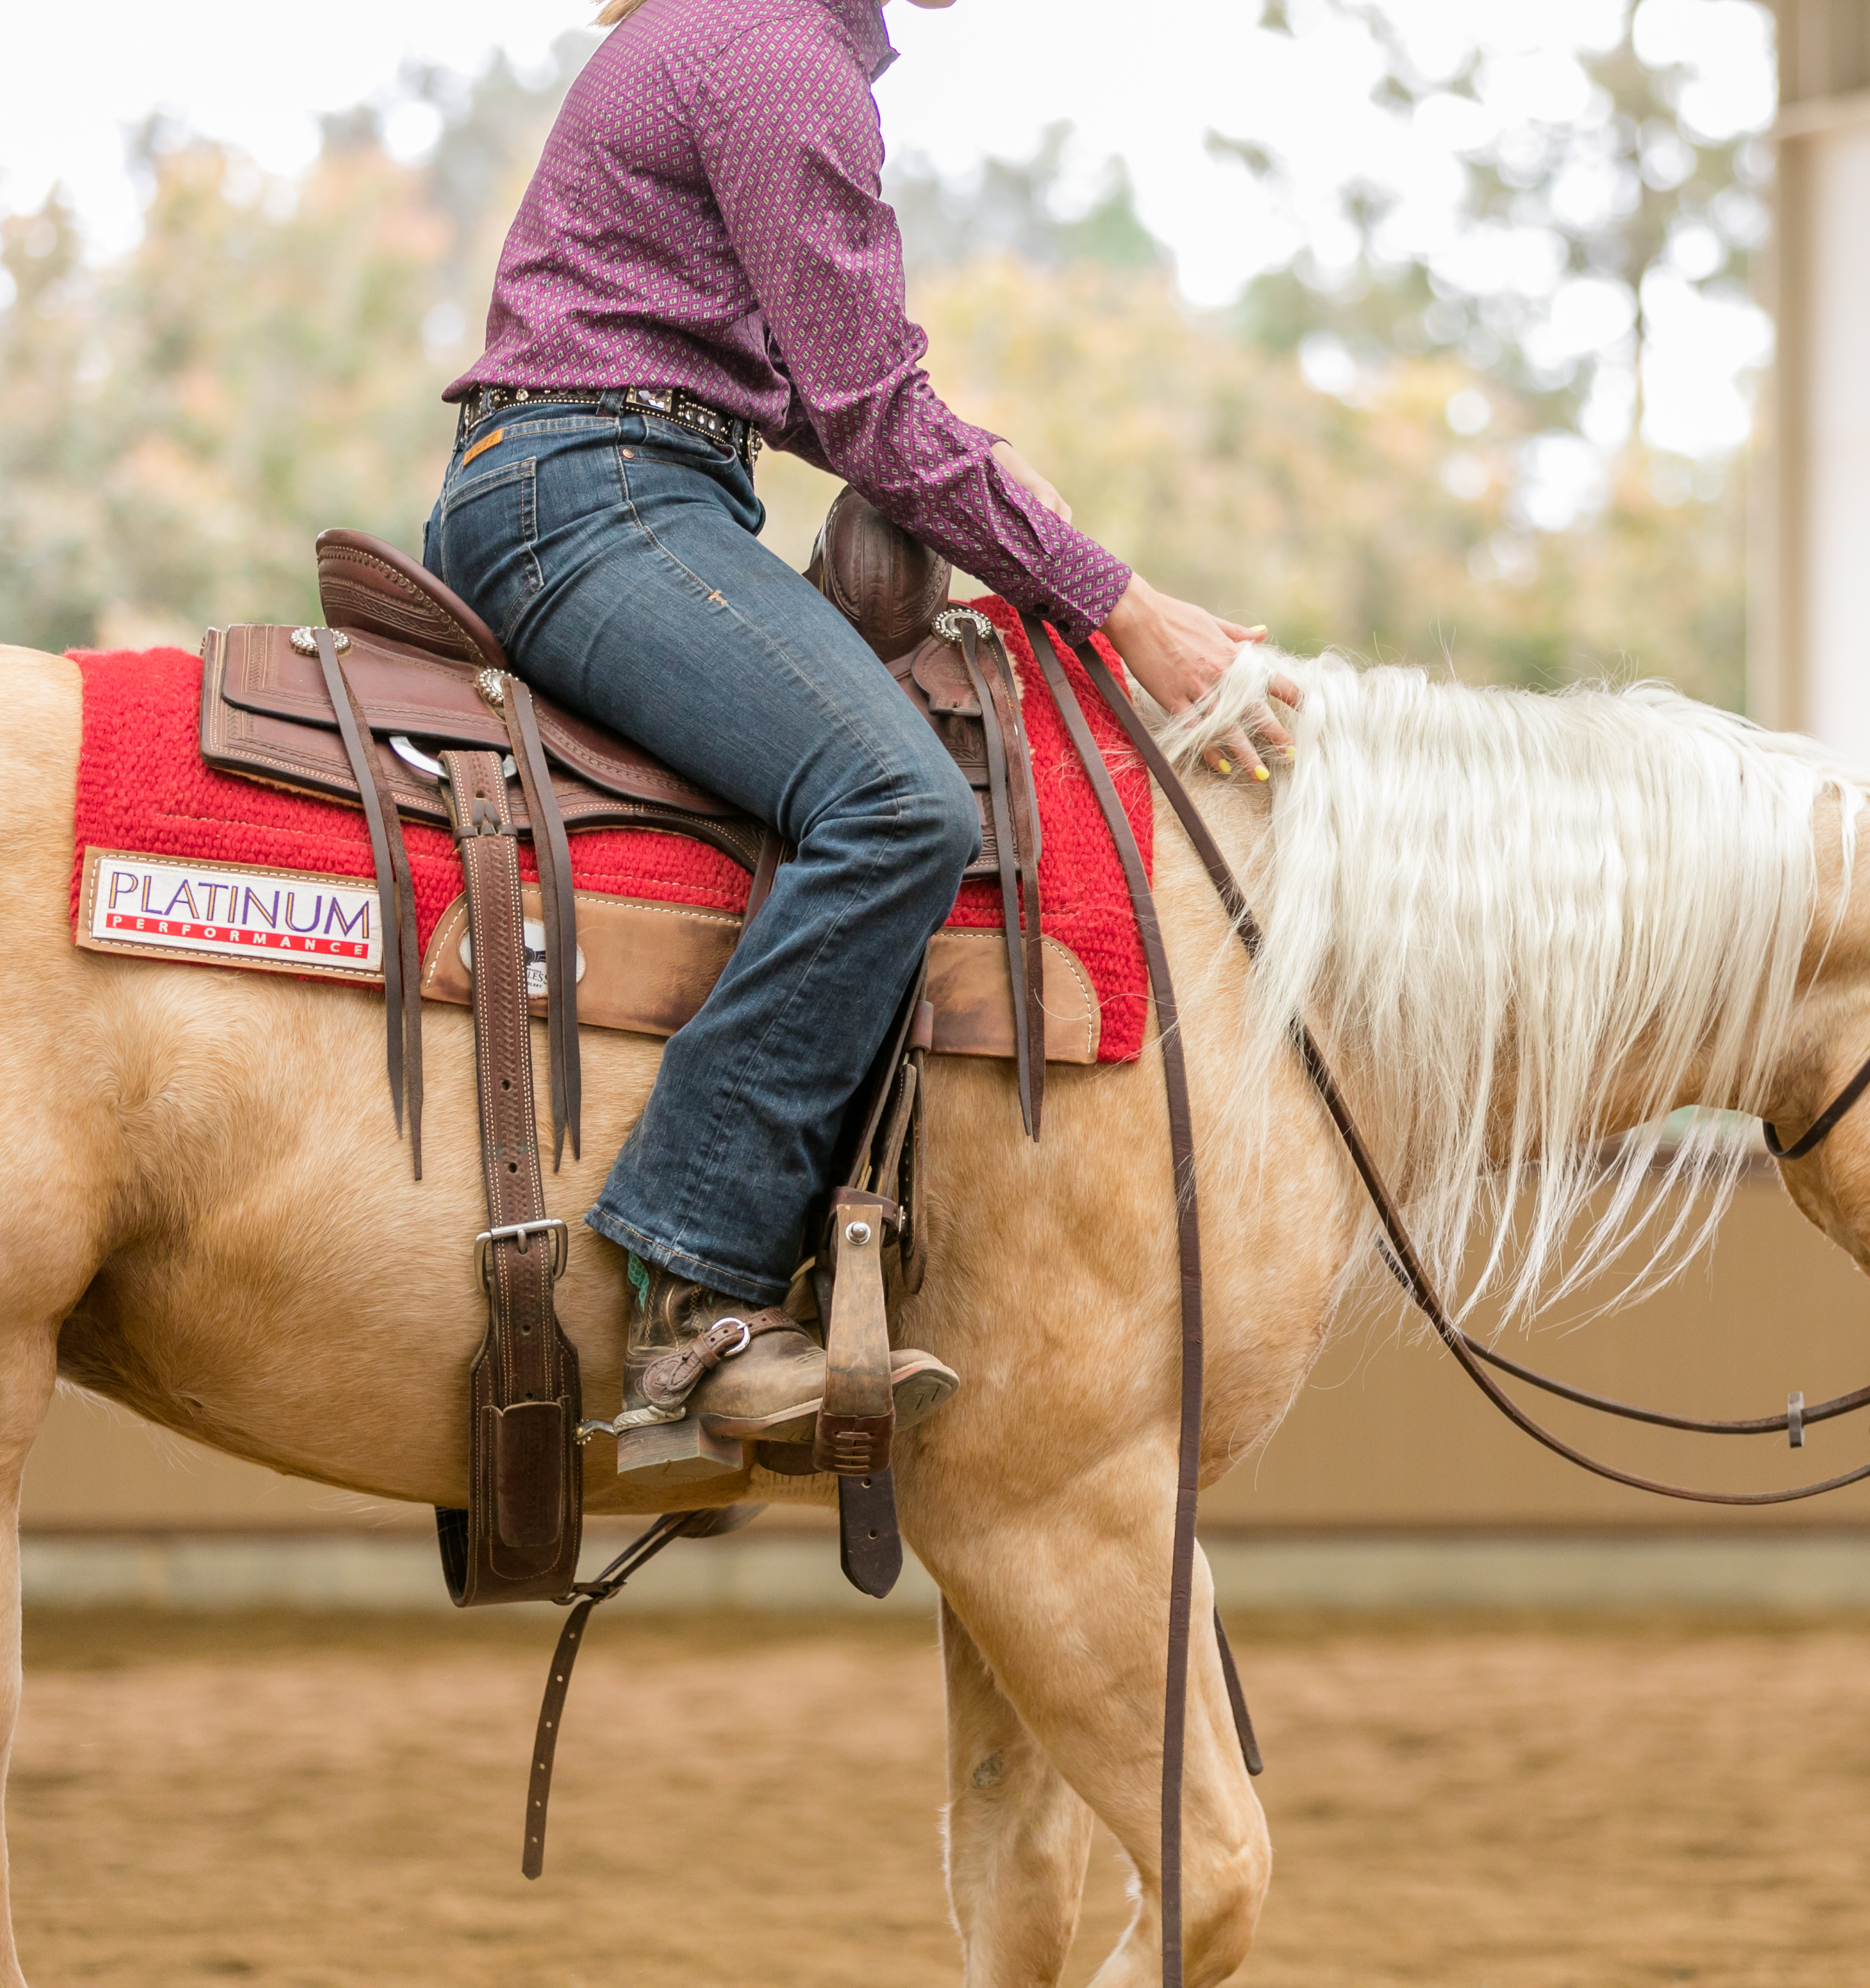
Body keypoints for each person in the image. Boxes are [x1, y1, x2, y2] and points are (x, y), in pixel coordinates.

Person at [422, 0, 1286, 1477]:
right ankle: (696, 1287)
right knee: (897, 802)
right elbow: (873, 409)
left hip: (611, 476)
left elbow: (818, 389)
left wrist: (984, 482)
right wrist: (1121, 603)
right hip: (605, 497)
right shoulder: (777, 56)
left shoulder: (740, 36)